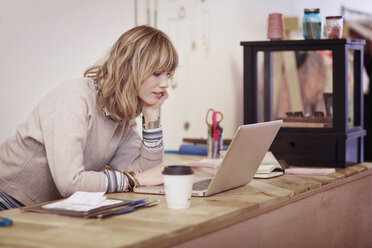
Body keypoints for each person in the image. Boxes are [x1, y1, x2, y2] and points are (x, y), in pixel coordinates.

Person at [0, 25, 178, 210]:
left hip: (41, 208)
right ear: (130, 68)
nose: (165, 83)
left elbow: (149, 174)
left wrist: (152, 116)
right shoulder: (75, 98)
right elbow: (71, 183)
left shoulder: (120, 117)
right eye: (157, 73)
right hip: (7, 200)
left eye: (168, 74)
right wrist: (134, 180)